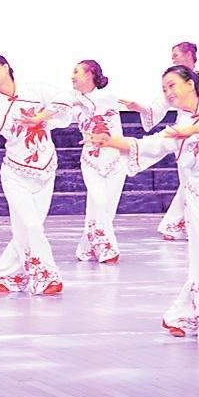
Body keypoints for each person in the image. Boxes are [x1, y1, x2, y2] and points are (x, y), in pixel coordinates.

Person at [88, 66, 199, 339]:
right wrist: (111, 141)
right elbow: (148, 145)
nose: (168, 92)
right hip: (198, 197)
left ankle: (183, 314)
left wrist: (193, 129)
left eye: (172, 85)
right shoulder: (176, 128)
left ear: (190, 84)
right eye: (164, 89)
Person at [0, 55, 72, 295]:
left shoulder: (35, 90)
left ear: (6, 67)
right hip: (15, 175)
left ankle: (0, 274)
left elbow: (66, 98)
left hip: (46, 169)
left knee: (29, 229)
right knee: (31, 226)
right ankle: (46, 277)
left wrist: (41, 117)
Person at [121, 41, 199, 240]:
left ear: (188, 54)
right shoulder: (174, 81)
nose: (173, 59)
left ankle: (188, 223)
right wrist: (140, 108)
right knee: (188, 177)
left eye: (176, 55)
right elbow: (159, 107)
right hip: (184, 131)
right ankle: (181, 225)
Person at [69, 60, 126, 263]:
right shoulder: (75, 102)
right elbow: (59, 117)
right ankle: (108, 250)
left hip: (115, 157)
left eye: (76, 71)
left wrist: (71, 101)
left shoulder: (106, 97)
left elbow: (90, 104)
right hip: (91, 160)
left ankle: (87, 249)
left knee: (106, 206)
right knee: (99, 201)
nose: (72, 76)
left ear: (89, 74)